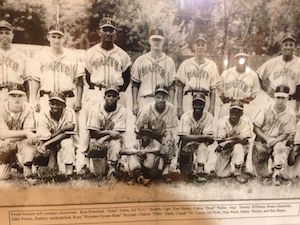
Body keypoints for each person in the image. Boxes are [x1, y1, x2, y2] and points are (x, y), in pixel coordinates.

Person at [78, 17, 131, 174]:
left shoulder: (122, 55)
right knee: (87, 129)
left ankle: (118, 163)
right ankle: (83, 164)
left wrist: (118, 93)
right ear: (99, 32)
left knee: (120, 129)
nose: (108, 33)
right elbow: (87, 77)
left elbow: (126, 78)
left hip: (115, 94)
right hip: (96, 91)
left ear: (116, 34)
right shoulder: (90, 53)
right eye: (105, 30)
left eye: (111, 30)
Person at [31, 23, 84, 112]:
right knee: (45, 125)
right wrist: (33, 99)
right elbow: (35, 80)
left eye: (59, 37)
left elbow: (80, 80)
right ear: (48, 37)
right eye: (53, 36)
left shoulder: (73, 56)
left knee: (68, 125)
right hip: (46, 99)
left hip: (67, 99)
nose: (56, 40)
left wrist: (78, 100)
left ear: (64, 38)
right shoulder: (40, 56)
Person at [252, 85, 296, 185]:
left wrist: (273, 142)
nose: (280, 101)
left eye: (283, 98)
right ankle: (265, 168)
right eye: (278, 97)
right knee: (261, 175)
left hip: (278, 141)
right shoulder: (265, 109)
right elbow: (255, 127)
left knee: (280, 148)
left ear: (287, 99)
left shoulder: (290, 114)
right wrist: (266, 138)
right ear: (274, 97)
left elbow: (286, 134)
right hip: (263, 141)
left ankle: (277, 173)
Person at [134, 84, 178, 181]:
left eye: (163, 97)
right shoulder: (146, 109)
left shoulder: (171, 109)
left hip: (162, 138)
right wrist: (144, 144)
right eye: (158, 97)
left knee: (169, 142)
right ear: (154, 97)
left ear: (167, 97)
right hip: (149, 139)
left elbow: (170, 131)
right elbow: (137, 131)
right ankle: (141, 167)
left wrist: (165, 143)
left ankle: (165, 171)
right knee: (150, 168)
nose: (161, 100)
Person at [85, 84, 127, 182]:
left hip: (110, 141)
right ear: (104, 97)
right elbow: (93, 133)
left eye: (114, 96)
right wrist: (108, 133)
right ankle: (98, 166)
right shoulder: (95, 109)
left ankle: (112, 169)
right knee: (99, 173)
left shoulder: (122, 111)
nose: (111, 98)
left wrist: (103, 138)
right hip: (96, 141)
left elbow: (116, 134)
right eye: (109, 96)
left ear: (118, 98)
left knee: (115, 144)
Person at [131, 28, 176, 115]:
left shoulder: (169, 61)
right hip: (144, 99)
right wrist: (135, 103)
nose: (156, 42)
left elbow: (172, 86)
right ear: (149, 41)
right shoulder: (140, 60)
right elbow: (135, 84)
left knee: (162, 127)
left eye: (159, 40)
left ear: (163, 42)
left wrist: (171, 103)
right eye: (154, 39)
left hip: (162, 101)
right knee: (143, 128)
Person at [176, 33, 220, 118]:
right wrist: (179, 107)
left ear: (206, 47)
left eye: (203, 45)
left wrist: (212, 108)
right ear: (193, 47)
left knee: (204, 127)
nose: (200, 47)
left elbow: (213, 89)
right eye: (198, 45)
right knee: (186, 126)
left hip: (205, 98)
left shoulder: (212, 65)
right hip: (189, 98)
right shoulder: (185, 64)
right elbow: (180, 86)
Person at [0, 83, 37, 181]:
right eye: (13, 96)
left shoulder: (29, 108)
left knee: (28, 144)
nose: (17, 99)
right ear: (8, 97)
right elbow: (1, 133)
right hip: (4, 144)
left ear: (24, 97)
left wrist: (11, 139)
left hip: (20, 142)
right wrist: (24, 132)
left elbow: (30, 132)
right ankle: (13, 162)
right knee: (2, 176)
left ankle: (25, 169)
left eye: (19, 96)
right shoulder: (1, 108)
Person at [257, 33, 300, 114]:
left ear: (295, 48)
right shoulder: (273, 62)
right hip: (274, 99)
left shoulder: (299, 63)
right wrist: (267, 91)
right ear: (281, 47)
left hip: (290, 101)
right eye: (285, 45)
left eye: (291, 45)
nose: (288, 47)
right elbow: (257, 76)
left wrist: (297, 107)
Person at [178, 92, 215, 182]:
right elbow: (184, 138)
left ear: (204, 105)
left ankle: (200, 170)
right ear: (192, 104)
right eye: (196, 103)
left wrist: (197, 138)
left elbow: (210, 140)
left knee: (203, 146)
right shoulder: (186, 116)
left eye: (201, 104)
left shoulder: (208, 116)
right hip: (186, 146)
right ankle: (190, 166)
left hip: (199, 145)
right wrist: (203, 137)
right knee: (186, 174)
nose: (198, 106)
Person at [215, 100, 253, 183]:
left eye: (237, 112)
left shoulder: (245, 122)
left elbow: (244, 140)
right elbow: (219, 141)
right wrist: (236, 139)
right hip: (226, 150)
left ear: (241, 113)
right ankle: (232, 166)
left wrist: (226, 141)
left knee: (238, 147)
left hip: (240, 149)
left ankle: (238, 171)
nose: (234, 114)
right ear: (229, 111)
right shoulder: (222, 122)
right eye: (232, 111)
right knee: (221, 174)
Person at [218, 48, 260, 118]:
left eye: (244, 58)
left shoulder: (253, 75)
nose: (241, 60)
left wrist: (247, 101)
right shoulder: (226, 73)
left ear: (247, 59)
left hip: (245, 106)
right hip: (228, 104)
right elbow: (219, 92)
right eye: (238, 58)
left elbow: (255, 95)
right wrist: (225, 100)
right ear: (235, 59)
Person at [0, 20, 31, 102]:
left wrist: (27, 100)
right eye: (1, 33)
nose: (4, 35)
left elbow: (26, 81)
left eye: (7, 33)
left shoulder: (21, 56)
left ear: (12, 35)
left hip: (16, 94)